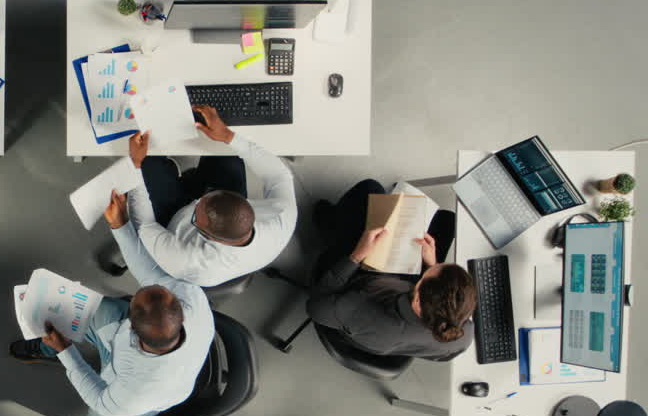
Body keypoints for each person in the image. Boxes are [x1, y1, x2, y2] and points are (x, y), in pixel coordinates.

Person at [9, 190, 213, 416]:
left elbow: (98, 398)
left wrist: (67, 352)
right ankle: (47, 345)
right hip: (124, 350)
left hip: (130, 392)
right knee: (84, 307)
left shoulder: (132, 396)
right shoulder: (192, 298)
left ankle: (56, 347)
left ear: (131, 329)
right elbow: (150, 274)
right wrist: (120, 224)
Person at [119, 106, 297, 286]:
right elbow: (279, 175)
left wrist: (135, 165)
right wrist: (228, 136)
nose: (197, 199)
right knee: (225, 146)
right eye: (206, 197)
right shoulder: (281, 217)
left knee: (146, 161)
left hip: (174, 219)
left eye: (196, 213)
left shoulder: (188, 261)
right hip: (217, 209)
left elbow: (145, 224)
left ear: (211, 237)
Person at [306, 180, 477, 360]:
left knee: (371, 189)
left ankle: (329, 226)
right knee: (447, 221)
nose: (431, 266)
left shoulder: (360, 310)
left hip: (364, 296)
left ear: (418, 299)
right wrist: (431, 264)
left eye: (427, 274)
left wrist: (356, 255)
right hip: (399, 316)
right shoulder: (463, 334)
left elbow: (315, 308)